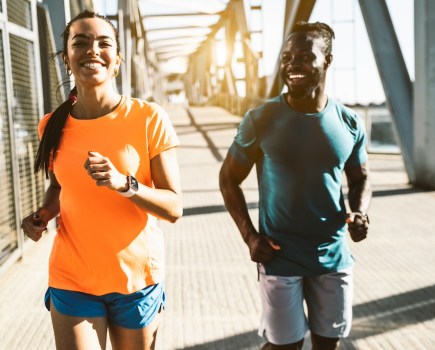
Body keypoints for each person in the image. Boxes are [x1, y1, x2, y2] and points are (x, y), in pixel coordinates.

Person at [20, 10, 182, 350]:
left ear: (118, 60)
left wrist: (125, 183)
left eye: (104, 43)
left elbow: (174, 207)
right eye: (81, 42)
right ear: (66, 59)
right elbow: (59, 185)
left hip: (135, 280)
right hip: (71, 276)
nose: (93, 50)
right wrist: (44, 215)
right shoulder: (51, 125)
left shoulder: (148, 117)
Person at [219, 21, 371, 350]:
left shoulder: (349, 122)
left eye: (304, 56)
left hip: (333, 257)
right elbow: (228, 178)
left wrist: (360, 212)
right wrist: (249, 236)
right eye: (287, 58)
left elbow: (360, 179)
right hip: (279, 256)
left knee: (328, 345)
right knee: (284, 347)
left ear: (327, 61)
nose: (292, 65)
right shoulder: (261, 119)